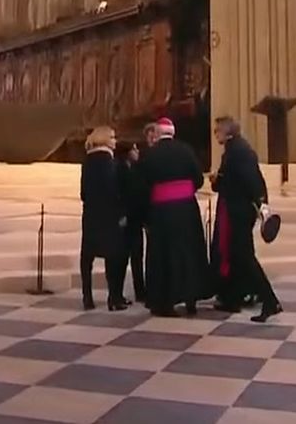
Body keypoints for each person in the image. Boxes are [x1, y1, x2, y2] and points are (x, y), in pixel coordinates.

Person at [135, 118, 211, 316]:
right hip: (186, 210)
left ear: (158, 134)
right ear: (173, 133)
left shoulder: (150, 155)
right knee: (189, 252)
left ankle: (164, 303)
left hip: (162, 212)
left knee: (164, 256)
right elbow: (198, 179)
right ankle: (191, 298)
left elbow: (141, 186)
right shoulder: (186, 150)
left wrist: (145, 214)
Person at [209, 117, 281, 321]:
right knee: (239, 256)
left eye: (217, 131)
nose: (215, 134)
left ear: (227, 131)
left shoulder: (237, 152)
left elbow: (252, 181)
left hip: (237, 212)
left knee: (244, 257)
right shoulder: (236, 149)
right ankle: (239, 297)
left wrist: (261, 205)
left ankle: (269, 300)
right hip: (237, 211)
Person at [79, 126, 127, 311]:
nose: (115, 141)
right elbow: (115, 191)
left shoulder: (87, 162)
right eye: (113, 138)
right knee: (113, 257)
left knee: (87, 258)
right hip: (109, 215)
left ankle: (87, 297)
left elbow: (83, 193)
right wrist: (121, 213)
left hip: (91, 214)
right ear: (105, 140)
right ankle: (114, 297)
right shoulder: (111, 163)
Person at [116, 140, 147, 304]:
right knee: (123, 258)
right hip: (125, 220)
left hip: (135, 219)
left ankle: (140, 291)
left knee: (137, 257)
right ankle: (117, 294)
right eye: (134, 149)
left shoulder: (135, 168)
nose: (137, 152)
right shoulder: (119, 168)